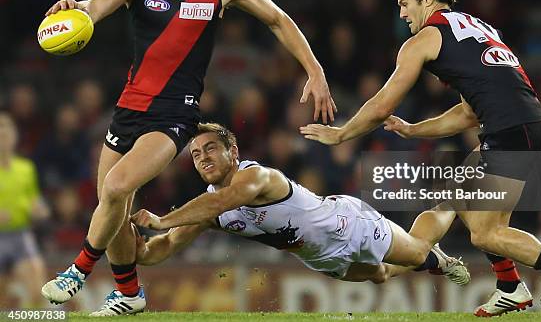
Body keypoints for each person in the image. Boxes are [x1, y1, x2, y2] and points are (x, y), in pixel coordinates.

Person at [41, 0, 336, 316]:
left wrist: (315, 69)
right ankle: (129, 294)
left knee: (118, 186)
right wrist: (76, 8)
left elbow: (278, 19)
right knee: (112, 203)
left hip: (174, 114)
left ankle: (78, 269)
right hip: (129, 108)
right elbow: (94, 7)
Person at [300, 0, 541, 318]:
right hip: (520, 123)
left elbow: (382, 104)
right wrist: (415, 129)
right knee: (452, 197)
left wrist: (341, 135)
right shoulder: (476, 27)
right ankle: (510, 287)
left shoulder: (425, 38)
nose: (401, 13)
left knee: (486, 233)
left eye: (404, 3)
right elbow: (468, 112)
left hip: (511, 129)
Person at [130, 123, 469, 293]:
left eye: (211, 149)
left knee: (419, 253)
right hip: (322, 258)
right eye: (196, 154)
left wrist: (163, 219)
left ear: (233, 152)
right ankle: (433, 255)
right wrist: (134, 246)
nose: (203, 158)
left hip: (349, 224)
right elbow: (167, 246)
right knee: (380, 276)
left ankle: (453, 199)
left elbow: (223, 200)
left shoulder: (255, 176)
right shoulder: (208, 210)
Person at [0, 110, 50, 308]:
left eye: (6, 130)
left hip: (20, 236)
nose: (3, 136)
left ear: (14, 136)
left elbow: (34, 200)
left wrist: (40, 210)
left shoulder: (26, 168)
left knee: (37, 291)